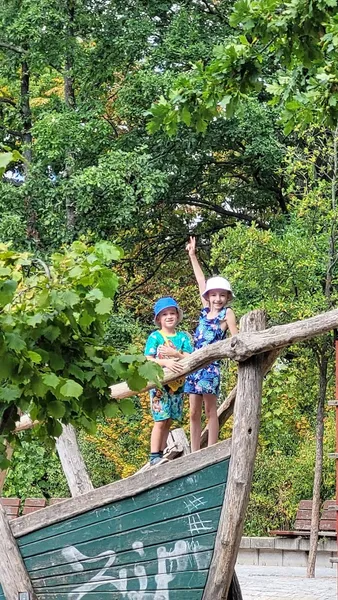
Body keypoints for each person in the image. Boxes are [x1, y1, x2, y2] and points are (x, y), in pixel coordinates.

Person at [185, 237, 238, 451]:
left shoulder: (227, 314)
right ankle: (195, 451)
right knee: (193, 412)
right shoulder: (205, 311)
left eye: (221, 295)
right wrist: (193, 256)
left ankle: (212, 449)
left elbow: (236, 339)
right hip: (194, 365)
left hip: (210, 368)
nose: (217, 299)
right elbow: (200, 281)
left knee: (210, 410)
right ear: (209, 296)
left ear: (227, 297)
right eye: (214, 295)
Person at [144, 297, 193, 466]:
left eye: (172, 313)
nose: (169, 316)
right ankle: (153, 455)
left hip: (177, 385)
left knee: (169, 419)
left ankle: (163, 450)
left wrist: (175, 355)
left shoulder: (183, 337)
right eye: (164, 314)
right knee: (160, 419)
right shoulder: (155, 337)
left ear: (178, 315)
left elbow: (190, 357)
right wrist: (165, 362)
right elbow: (148, 359)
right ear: (158, 319)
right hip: (160, 386)